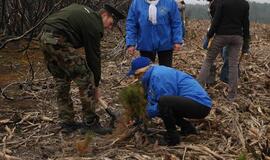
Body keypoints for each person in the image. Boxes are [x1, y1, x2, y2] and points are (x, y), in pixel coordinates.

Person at [40, 4, 125, 134]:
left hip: (44, 38)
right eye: (111, 23)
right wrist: (95, 85)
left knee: (62, 79)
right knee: (86, 77)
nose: (110, 28)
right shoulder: (94, 24)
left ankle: (67, 122)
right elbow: (93, 58)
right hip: (58, 39)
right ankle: (90, 123)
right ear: (104, 15)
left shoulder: (87, 15)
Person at [127, 56, 212, 146]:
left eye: (136, 75)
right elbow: (154, 100)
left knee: (164, 103)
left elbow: (163, 101)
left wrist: (145, 113)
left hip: (200, 104)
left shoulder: (158, 75)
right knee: (161, 106)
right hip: (193, 103)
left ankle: (173, 139)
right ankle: (188, 128)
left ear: (141, 71)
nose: (136, 78)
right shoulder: (153, 75)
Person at [198, 0, 250, 101]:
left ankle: (198, 88)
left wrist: (208, 37)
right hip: (237, 37)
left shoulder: (222, 2)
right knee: (233, 65)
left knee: (208, 60)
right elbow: (246, 24)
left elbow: (215, 21)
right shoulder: (244, 3)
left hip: (221, 35)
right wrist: (246, 42)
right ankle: (232, 95)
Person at [126, 0, 183, 67]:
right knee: (146, 70)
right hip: (145, 44)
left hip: (166, 43)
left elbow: (176, 22)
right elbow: (131, 24)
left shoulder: (170, 2)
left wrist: (177, 40)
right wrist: (131, 43)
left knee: (166, 70)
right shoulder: (137, 3)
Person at [203, 0, 240, 84]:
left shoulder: (220, 3)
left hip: (227, 33)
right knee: (218, 55)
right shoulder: (213, 3)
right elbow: (213, 21)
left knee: (226, 55)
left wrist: (209, 36)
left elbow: (216, 21)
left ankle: (228, 78)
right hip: (218, 32)